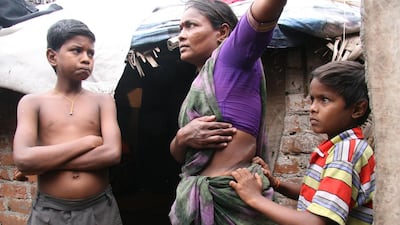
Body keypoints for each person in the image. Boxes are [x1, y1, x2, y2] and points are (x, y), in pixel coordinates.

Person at [169, 0, 287, 224]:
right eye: (180, 28)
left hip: (231, 198)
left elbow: (264, 12)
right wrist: (182, 137)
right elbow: (180, 156)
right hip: (198, 200)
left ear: (223, 32)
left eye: (191, 25)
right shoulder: (201, 84)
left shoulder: (232, 57)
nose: (181, 35)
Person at [229, 61, 375, 225]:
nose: (312, 108)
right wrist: (277, 184)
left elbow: (316, 222)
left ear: (357, 109)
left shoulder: (345, 154)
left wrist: (254, 198)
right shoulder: (340, 147)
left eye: (324, 100)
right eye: (312, 99)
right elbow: (317, 194)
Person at [12, 19, 123, 225]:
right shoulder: (32, 103)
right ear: (52, 56)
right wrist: (87, 142)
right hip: (49, 212)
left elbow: (112, 153)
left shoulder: (103, 101)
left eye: (90, 53)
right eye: (77, 50)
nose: (86, 59)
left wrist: (43, 163)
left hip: (99, 210)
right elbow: (23, 159)